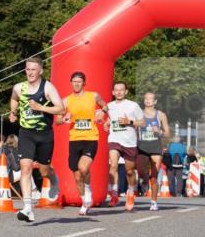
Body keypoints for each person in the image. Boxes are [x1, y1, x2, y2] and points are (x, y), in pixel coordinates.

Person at [8, 57, 64, 222]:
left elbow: (61, 109)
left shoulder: (47, 87)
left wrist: (40, 107)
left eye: (33, 69)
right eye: (27, 69)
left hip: (44, 134)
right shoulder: (19, 87)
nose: (30, 73)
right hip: (26, 133)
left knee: (44, 171)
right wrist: (13, 112)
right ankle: (27, 208)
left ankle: (54, 180)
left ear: (40, 71)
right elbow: (14, 99)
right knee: (25, 168)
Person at [57, 71, 108, 215]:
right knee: (77, 176)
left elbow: (105, 106)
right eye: (74, 81)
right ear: (71, 83)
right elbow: (58, 121)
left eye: (79, 81)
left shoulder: (93, 96)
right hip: (74, 140)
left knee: (83, 168)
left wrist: (102, 112)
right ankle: (84, 202)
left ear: (84, 83)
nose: (76, 84)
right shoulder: (66, 101)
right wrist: (64, 119)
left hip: (90, 138)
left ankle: (88, 190)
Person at [104, 81, 145, 212]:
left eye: (121, 90)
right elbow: (110, 119)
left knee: (129, 171)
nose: (119, 92)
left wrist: (130, 121)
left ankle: (131, 193)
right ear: (113, 92)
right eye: (116, 90)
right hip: (114, 139)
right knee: (113, 165)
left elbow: (142, 122)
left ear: (126, 91)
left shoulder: (133, 105)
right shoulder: (109, 106)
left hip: (129, 142)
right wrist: (106, 123)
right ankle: (114, 195)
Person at [136, 91, 170, 210]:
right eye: (146, 98)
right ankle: (145, 180)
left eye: (150, 99)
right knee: (140, 170)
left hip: (155, 147)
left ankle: (154, 202)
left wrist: (159, 131)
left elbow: (167, 133)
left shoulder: (160, 115)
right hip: (142, 147)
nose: (148, 100)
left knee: (154, 176)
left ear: (155, 101)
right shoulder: (139, 114)